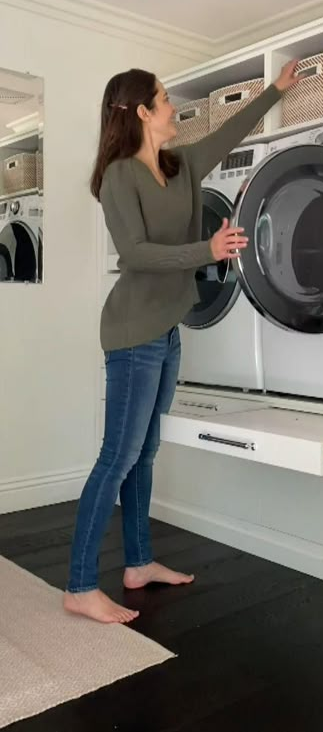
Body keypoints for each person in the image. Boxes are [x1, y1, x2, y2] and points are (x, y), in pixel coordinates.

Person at [63, 59, 300, 624]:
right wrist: (206, 252)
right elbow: (137, 254)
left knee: (145, 452)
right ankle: (78, 585)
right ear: (144, 112)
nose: (174, 108)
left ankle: (138, 564)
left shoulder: (181, 164)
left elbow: (228, 133)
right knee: (116, 457)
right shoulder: (120, 175)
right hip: (131, 333)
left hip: (166, 329)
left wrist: (276, 90)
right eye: (166, 99)